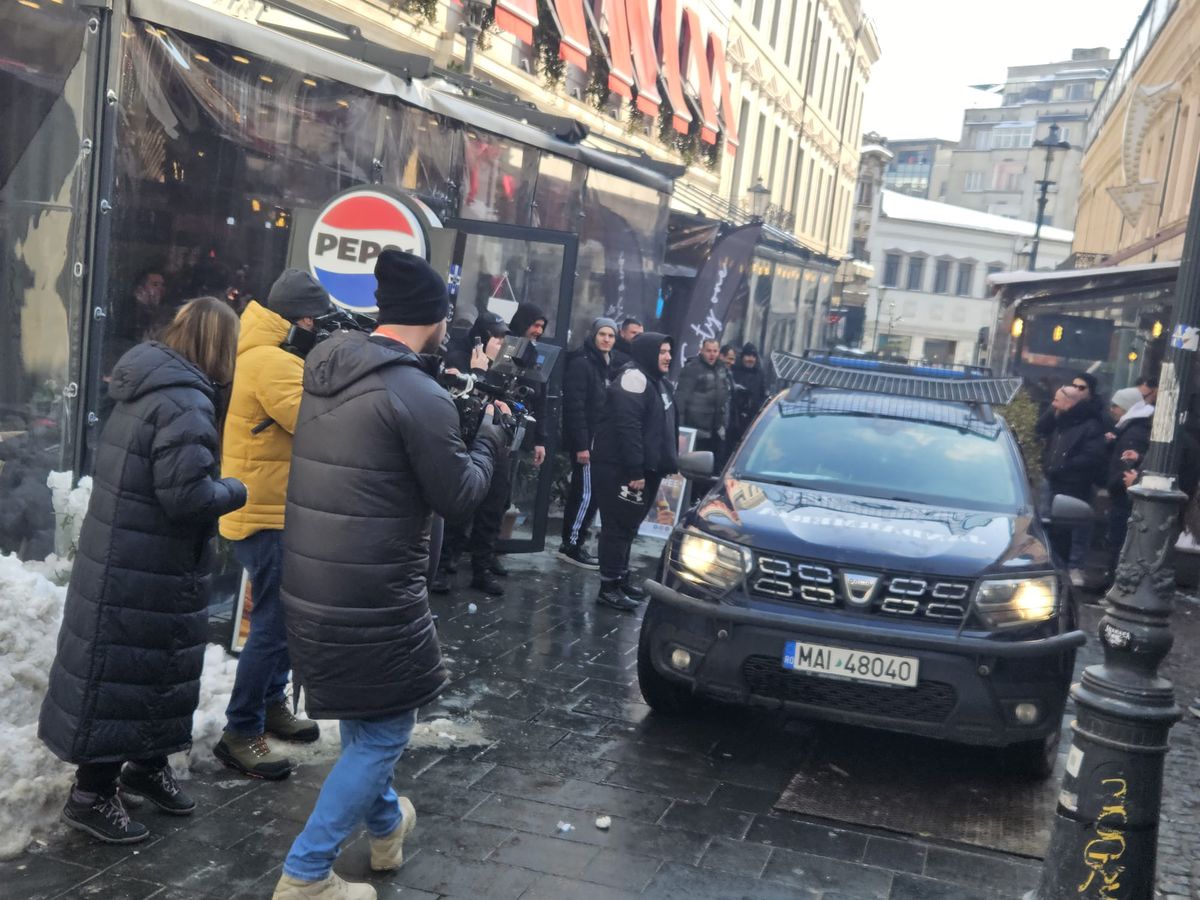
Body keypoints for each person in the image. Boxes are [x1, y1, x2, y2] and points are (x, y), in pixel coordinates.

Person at [272, 250, 505, 900]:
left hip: (314, 581)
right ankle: (306, 876)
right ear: (432, 318)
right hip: (371, 593)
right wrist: (489, 440)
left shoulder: (327, 369)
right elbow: (458, 495)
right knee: (386, 732)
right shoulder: (416, 392)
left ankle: (385, 828)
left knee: (365, 722)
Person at [39, 298, 247, 844]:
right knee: (125, 675)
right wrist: (235, 489)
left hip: (135, 561)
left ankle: (146, 765)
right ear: (219, 346)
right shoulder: (185, 403)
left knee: (149, 672)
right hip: (143, 566)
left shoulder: (150, 386)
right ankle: (90, 794)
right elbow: (186, 496)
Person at [213, 270, 331, 780]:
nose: (318, 330)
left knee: (280, 621)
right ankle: (241, 730)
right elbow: (317, 423)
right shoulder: (271, 361)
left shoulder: (270, 353)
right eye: (314, 321)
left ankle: (270, 705)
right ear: (298, 318)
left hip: (273, 506)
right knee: (273, 624)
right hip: (268, 513)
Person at [591, 333, 678, 611]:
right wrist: (635, 469)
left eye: (669, 351)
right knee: (617, 528)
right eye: (662, 351)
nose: (667, 356)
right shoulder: (633, 378)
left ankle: (621, 577)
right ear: (648, 352)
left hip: (643, 469)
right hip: (622, 470)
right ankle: (609, 587)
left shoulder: (654, 380)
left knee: (628, 527)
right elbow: (628, 429)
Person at [433, 311, 511, 596]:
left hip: (494, 440)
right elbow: (462, 398)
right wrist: (481, 369)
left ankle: (482, 568)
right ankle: (443, 566)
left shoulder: (503, 363)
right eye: (497, 337)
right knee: (460, 508)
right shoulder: (457, 358)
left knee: (492, 508)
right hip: (465, 441)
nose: (501, 343)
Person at [558, 317, 618, 568]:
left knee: (590, 495)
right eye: (603, 334)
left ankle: (577, 541)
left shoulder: (606, 364)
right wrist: (582, 445)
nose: (606, 339)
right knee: (585, 495)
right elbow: (575, 408)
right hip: (587, 444)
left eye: (611, 335)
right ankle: (571, 544)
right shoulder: (582, 364)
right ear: (593, 335)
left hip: (600, 442)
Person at [1036, 384, 1107, 587]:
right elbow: (1041, 428)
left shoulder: (1090, 425)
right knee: (1048, 520)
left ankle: (1074, 566)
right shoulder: (1060, 418)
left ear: (1069, 403)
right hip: (1054, 478)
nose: (1052, 404)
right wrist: (1055, 411)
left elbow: (1092, 455)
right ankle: (1050, 561)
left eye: (1057, 400)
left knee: (1075, 527)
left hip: (1075, 483)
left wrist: (1064, 465)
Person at [1103, 387, 1154, 576]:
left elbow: (1126, 467)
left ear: (1126, 407)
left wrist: (1115, 483)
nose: (1111, 409)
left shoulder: (1133, 432)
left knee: (1119, 542)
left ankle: (1113, 581)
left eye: (1115, 405)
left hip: (1124, 496)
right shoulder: (1131, 429)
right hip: (1124, 493)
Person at [674, 338, 732, 472]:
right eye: (708, 351)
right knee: (695, 468)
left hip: (716, 429)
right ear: (701, 351)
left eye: (715, 351)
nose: (712, 354)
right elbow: (681, 399)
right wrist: (680, 428)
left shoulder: (721, 368)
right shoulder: (692, 369)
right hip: (695, 429)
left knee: (714, 468)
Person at [730, 342, 769, 443]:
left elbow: (763, 397)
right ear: (742, 357)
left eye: (753, 356)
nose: (750, 359)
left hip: (751, 422)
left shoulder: (760, 375)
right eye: (748, 356)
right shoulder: (733, 372)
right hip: (733, 421)